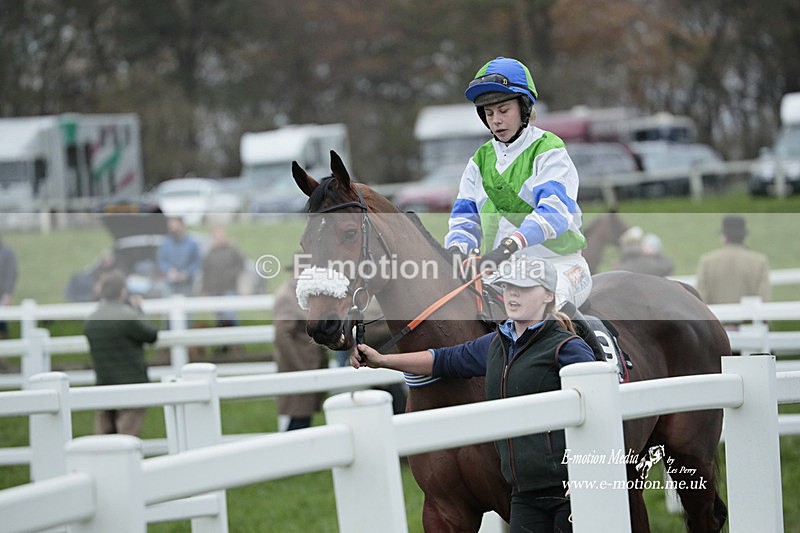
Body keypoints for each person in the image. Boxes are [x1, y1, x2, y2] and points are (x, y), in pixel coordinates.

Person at [352, 258, 594, 533]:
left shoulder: (568, 348)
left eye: (525, 288)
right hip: (523, 493)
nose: (513, 294)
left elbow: (597, 410)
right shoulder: (495, 344)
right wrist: (382, 360)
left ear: (549, 296)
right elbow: (442, 360)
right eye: (510, 287)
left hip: (568, 490)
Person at [445, 56, 597, 353]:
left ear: (524, 108)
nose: (496, 120)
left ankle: (603, 367)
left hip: (559, 266)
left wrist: (509, 246)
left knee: (550, 313)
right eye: (488, 113)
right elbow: (464, 219)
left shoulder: (549, 149)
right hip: (502, 274)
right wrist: (455, 251)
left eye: (503, 110)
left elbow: (554, 212)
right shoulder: (479, 161)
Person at [84, 271, 159, 437]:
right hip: (131, 384)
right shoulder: (127, 316)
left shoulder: (92, 320)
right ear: (122, 291)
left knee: (103, 437)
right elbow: (151, 335)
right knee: (127, 437)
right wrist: (139, 310)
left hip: (104, 385)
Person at [273, 278, 329, 431]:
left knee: (302, 418)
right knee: (299, 420)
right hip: (299, 367)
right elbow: (281, 335)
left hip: (306, 365)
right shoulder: (287, 296)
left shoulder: (299, 294)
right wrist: (301, 366)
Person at [696, 215, 770, 304]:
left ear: (724, 236)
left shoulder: (707, 262)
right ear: (744, 236)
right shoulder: (759, 262)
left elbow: (701, 298)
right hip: (748, 317)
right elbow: (764, 298)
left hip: (716, 316)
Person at [200, 225, 246, 328]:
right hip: (215, 290)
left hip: (229, 288)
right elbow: (206, 273)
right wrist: (204, 290)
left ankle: (235, 340)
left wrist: (231, 275)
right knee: (219, 317)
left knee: (230, 315)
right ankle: (223, 343)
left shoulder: (232, 250)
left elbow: (241, 265)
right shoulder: (210, 253)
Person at [157, 217, 202, 297]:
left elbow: (197, 261)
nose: (173, 230)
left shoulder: (192, 244)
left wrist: (187, 272)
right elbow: (161, 260)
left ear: (182, 226)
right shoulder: (166, 243)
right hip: (170, 284)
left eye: (176, 227)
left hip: (187, 284)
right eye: (171, 228)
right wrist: (169, 270)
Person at [0, 234, 18, 340]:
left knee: (2, 325)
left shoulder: (6, 253)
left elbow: (11, 273)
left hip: (1, 295)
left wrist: (7, 294)